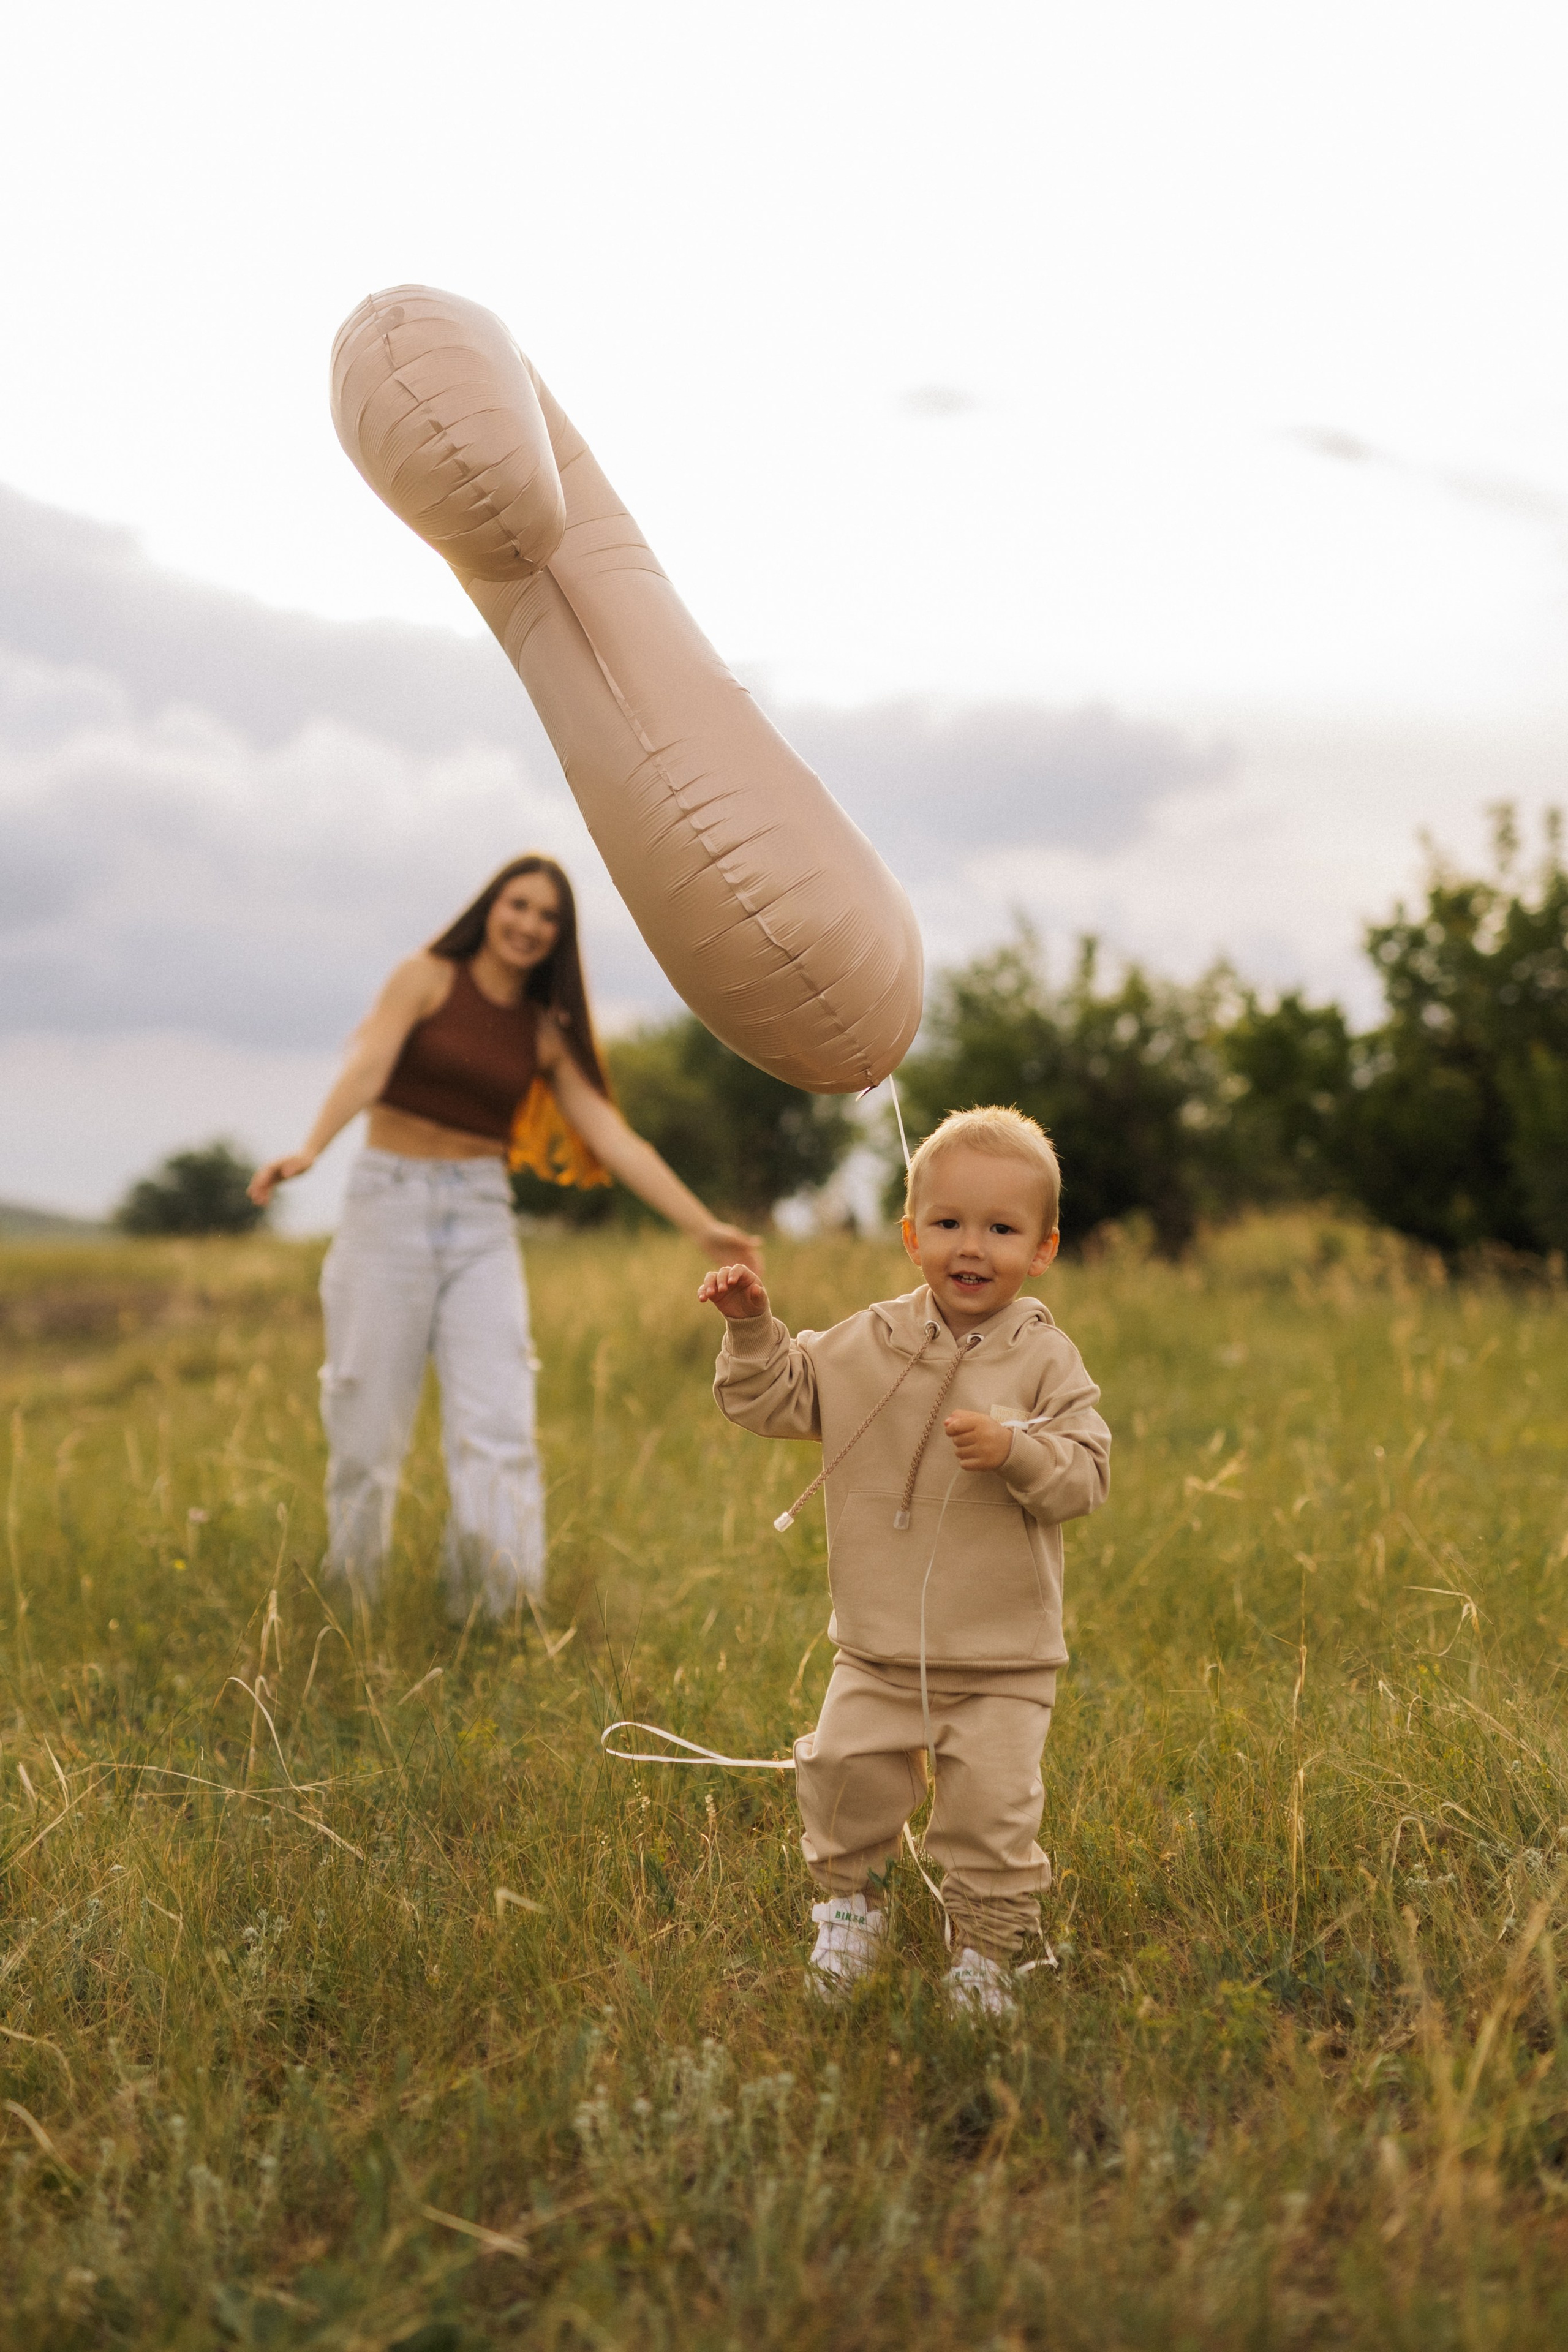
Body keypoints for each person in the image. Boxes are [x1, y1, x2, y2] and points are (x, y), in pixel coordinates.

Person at [250, 854, 760, 1619]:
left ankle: (499, 1611)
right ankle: (349, 1608)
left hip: (481, 1219)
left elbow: (617, 1141)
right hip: (385, 1205)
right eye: (517, 906)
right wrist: (312, 1147)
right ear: (491, 908)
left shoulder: (541, 1033)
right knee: (365, 1422)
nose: (527, 925)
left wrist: (701, 1224)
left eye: (546, 916)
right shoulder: (424, 977)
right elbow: (367, 1068)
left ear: (559, 936)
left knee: (498, 1423)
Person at [701, 1106, 1110, 2017]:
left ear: (1041, 1250)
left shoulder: (1045, 1361)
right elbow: (774, 1399)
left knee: (993, 1819)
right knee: (844, 1774)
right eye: (949, 1224)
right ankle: (851, 1909)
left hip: (1003, 1655)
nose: (972, 1247)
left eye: (1001, 1230)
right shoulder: (867, 1342)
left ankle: (985, 1956)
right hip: (879, 1645)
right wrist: (754, 1328)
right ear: (910, 1233)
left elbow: (1086, 1476)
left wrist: (1016, 1452)